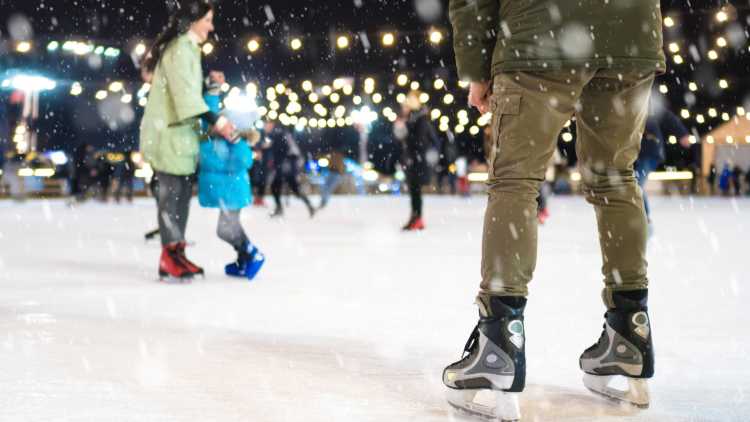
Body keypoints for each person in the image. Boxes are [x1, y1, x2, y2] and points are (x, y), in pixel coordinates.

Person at [444, 0, 665, 418]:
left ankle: (500, 340)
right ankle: (630, 329)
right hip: (630, 32)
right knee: (617, 176)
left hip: (539, 34)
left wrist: (476, 68)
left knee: (515, 180)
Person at [139, 0, 237, 282]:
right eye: (207, 20)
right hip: (168, 134)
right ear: (192, 21)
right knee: (172, 198)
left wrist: (210, 87)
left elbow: (187, 91)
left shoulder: (188, 50)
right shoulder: (181, 49)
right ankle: (170, 256)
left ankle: (176, 253)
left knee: (180, 196)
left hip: (180, 136)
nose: (211, 26)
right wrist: (217, 120)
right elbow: (185, 98)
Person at [198, 72, 265, 280]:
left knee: (226, 230)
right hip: (225, 191)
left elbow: (244, 161)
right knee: (228, 228)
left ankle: (252, 254)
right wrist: (213, 91)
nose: (221, 125)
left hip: (232, 191)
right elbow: (209, 113)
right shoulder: (212, 137)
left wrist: (235, 140)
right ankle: (244, 257)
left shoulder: (238, 145)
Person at [394, 91, 440, 231]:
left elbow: (419, 142)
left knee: (415, 192)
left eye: (406, 106)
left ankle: (417, 219)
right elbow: (404, 139)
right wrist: (401, 128)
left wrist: (404, 128)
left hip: (417, 162)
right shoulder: (413, 120)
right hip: (413, 161)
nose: (403, 109)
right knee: (414, 192)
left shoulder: (420, 120)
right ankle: (415, 218)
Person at [266, 120, 315, 218]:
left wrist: (278, 163)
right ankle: (308, 205)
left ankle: (280, 208)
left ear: (272, 125)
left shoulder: (278, 134)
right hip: (286, 166)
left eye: (267, 125)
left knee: (281, 187)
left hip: (285, 166)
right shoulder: (280, 134)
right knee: (280, 186)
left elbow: (283, 150)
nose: (265, 127)